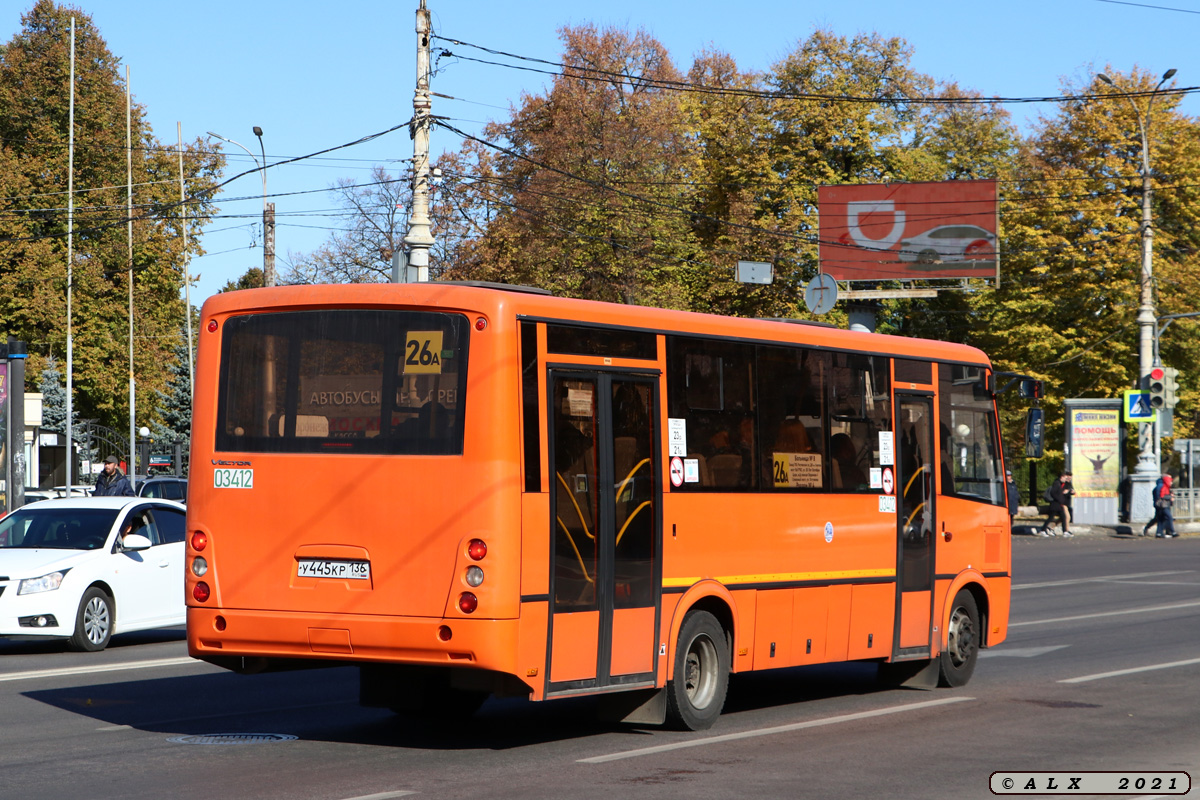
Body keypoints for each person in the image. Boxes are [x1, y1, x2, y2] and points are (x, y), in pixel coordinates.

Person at [1037, 471, 1073, 537]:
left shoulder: (1062, 484)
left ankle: (1065, 531)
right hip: (1055, 504)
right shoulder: (1056, 483)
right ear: (1061, 477)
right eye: (1065, 478)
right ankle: (1043, 530)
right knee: (1050, 517)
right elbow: (1053, 493)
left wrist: (1067, 492)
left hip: (1060, 504)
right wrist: (1059, 499)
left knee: (1063, 517)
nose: (1066, 480)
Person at [1154, 474, 1177, 539]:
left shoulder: (1164, 486)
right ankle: (1172, 532)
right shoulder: (1163, 486)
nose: (1171, 482)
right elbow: (1161, 496)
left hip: (1162, 505)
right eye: (1170, 480)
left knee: (1161, 519)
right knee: (1169, 517)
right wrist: (1170, 497)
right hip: (1163, 505)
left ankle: (1159, 533)